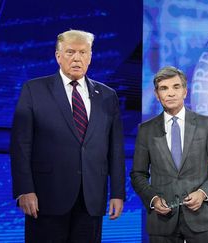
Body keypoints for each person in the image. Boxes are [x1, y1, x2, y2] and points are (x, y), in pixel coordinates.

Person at [10, 29, 125, 243]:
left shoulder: (108, 96)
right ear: (58, 56)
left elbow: (115, 149)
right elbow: (20, 145)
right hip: (46, 198)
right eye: (70, 52)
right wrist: (24, 190)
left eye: (83, 52)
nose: (77, 58)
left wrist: (118, 193)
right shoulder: (34, 90)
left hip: (91, 199)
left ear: (90, 57)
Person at [131, 66, 208, 243]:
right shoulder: (146, 130)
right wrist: (153, 199)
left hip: (201, 219)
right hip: (162, 222)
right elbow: (138, 174)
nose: (170, 93)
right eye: (164, 88)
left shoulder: (205, 124)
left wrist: (203, 193)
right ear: (157, 95)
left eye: (176, 87)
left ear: (185, 91)